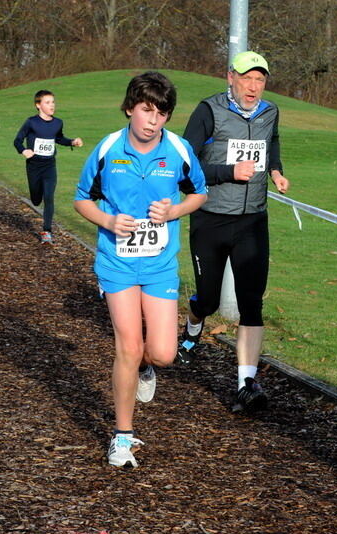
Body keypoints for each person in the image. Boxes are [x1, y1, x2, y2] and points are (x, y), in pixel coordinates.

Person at [74, 72, 207, 468]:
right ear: (131, 107)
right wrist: (109, 222)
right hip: (116, 262)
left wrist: (175, 209)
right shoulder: (108, 149)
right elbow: (82, 199)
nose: (153, 120)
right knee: (128, 346)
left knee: (164, 353)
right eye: (147, 110)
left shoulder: (179, 150)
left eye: (162, 113)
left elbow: (200, 192)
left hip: (160, 265)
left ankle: (146, 368)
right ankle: (122, 436)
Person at [177, 50, 290, 411]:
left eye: (260, 79)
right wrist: (228, 171)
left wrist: (275, 171)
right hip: (211, 218)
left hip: (253, 220)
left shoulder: (270, 111)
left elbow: (271, 142)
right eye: (246, 78)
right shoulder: (208, 111)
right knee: (208, 299)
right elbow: (185, 166)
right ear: (230, 77)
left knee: (251, 303)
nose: (253, 87)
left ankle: (246, 383)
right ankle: (193, 325)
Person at [13, 89, 82, 244]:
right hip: (34, 166)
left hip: (49, 165)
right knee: (36, 200)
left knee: (49, 197)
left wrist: (72, 142)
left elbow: (59, 138)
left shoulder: (58, 123)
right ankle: (36, 199)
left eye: (53, 102)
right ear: (38, 105)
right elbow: (17, 141)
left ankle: (47, 231)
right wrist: (24, 150)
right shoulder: (31, 122)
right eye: (47, 102)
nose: (52, 105)